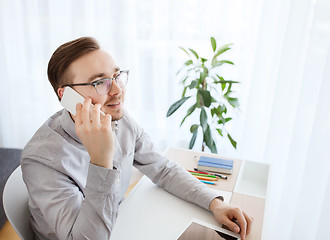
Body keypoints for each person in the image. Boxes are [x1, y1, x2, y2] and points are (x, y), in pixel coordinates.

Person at [21, 37, 253, 240]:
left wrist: (215, 203)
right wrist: (101, 161)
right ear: (66, 96)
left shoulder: (116, 118)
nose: (117, 91)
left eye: (117, 76)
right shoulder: (42, 160)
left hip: (119, 223)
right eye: (100, 82)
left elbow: (162, 168)